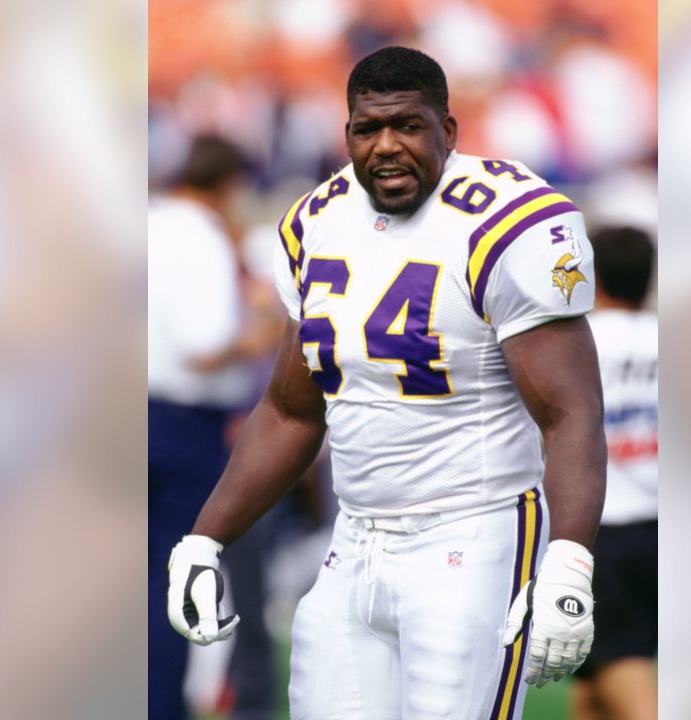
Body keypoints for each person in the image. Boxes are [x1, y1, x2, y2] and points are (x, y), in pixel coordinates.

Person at [166, 46, 606, 719]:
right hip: (355, 542)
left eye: (408, 125)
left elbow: (571, 412)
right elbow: (290, 410)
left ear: (449, 132)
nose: (387, 147)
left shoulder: (507, 222)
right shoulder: (316, 222)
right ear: (346, 135)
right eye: (368, 129)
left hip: (475, 537)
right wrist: (204, 539)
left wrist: (570, 562)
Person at [148, 135, 275, 720]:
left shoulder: (148, 221)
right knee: (174, 582)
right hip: (181, 424)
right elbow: (205, 346)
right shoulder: (199, 237)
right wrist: (265, 330)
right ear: (228, 185)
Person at [570, 226, 658, 720]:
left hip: (604, 527)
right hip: (664, 524)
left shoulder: (580, 342)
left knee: (621, 673)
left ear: (593, 276)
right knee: (594, 688)